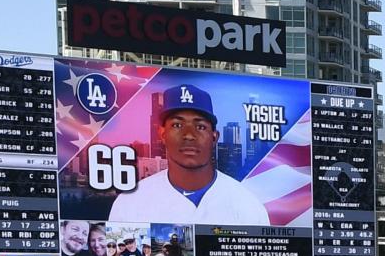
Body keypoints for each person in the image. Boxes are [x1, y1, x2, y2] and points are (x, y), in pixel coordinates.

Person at [104, 85, 273, 226]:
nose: (189, 135)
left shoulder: (247, 203)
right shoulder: (130, 202)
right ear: (162, 134)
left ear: (215, 137)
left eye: (200, 127)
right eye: (177, 125)